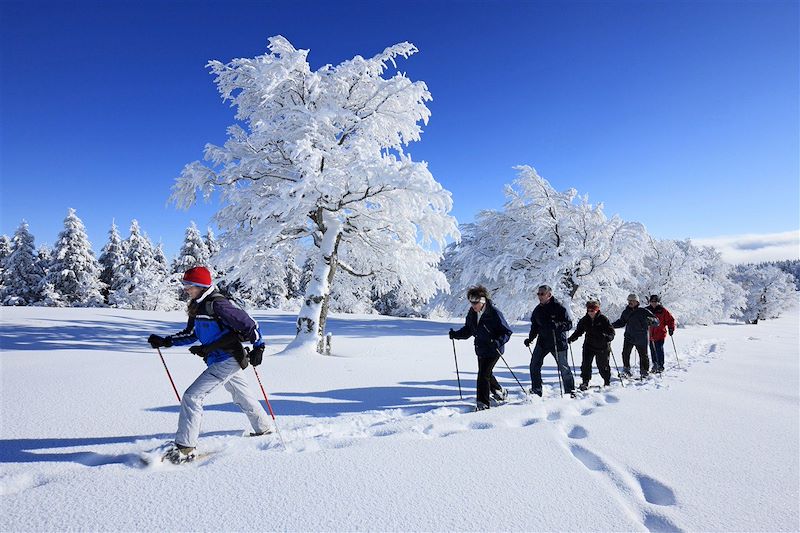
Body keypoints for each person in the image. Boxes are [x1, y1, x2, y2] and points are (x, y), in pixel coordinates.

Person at [147, 266, 272, 464]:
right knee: (242, 396)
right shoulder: (197, 306)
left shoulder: (219, 304)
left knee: (192, 396)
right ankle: (264, 429)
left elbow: (249, 325)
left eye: (189, 285)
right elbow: (192, 334)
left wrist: (259, 347)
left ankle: (185, 447)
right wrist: (166, 341)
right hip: (218, 358)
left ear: (201, 285)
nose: (186, 289)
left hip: (228, 359)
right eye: (185, 285)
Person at [449, 285, 513, 411]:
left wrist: (497, 342)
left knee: (483, 375)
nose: (473, 305)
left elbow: (507, 332)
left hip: (494, 350)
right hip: (481, 349)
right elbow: (468, 329)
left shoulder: (494, 313)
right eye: (471, 301)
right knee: (487, 373)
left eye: (475, 302)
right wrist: (456, 334)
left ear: (482, 301)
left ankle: (483, 403)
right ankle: (499, 391)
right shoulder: (472, 313)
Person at [524, 285, 575, 396]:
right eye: (538, 294)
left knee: (564, 368)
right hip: (543, 342)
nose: (539, 296)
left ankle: (570, 391)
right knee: (534, 365)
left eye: (542, 294)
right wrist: (530, 338)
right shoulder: (537, 310)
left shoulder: (559, 308)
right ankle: (537, 390)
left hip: (558, 343)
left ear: (549, 295)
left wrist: (557, 325)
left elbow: (569, 324)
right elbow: (535, 326)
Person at [568, 300, 615, 390]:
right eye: (589, 310)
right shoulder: (584, 320)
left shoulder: (603, 319)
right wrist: (571, 339)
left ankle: (606, 381)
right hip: (589, 345)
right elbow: (578, 331)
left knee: (602, 365)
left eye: (592, 310)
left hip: (602, 346)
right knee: (586, 364)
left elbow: (611, 332)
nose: (590, 312)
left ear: (597, 310)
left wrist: (608, 337)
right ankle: (585, 382)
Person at [612, 293, 658, 379]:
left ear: (637, 302)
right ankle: (626, 370)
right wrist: (611, 325)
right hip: (629, 336)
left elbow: (656, 321)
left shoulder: (643, 311)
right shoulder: (626, 312)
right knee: (625, 353)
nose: (630, 302)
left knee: (643, 355)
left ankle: (644, 371)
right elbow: (621, 322)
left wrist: (651, 320)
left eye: (632, 300)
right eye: (629, 300)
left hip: (641, 337)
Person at [646, 294, 675, 373]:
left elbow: (670, 320)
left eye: (655, 301)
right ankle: (655, 365)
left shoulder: (663, 310)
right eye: (652, 301)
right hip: (650, 335)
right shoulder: (647, 310)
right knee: (652, 350)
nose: (653, 303)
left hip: (660, 334)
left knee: (659, 349)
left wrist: (671, 328)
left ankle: (660, 366)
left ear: (658, 302)